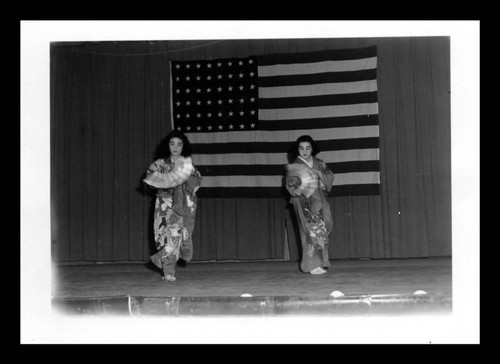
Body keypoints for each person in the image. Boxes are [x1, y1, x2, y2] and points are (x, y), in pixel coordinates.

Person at [143, 130, 202, 282]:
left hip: (182, 204)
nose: (175, 147)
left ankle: (168, 271)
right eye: (172, 144)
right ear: (167, 145)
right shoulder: (159, 164)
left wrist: (184, 183)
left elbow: (197, 183)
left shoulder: (189, 166)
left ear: (184, 147)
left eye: (179, 144)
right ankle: (165, 265)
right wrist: (165, 181)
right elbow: (150, 180)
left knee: (174, 238)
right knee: (164, 238)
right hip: (164, 203)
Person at [285, 135, 334, 275]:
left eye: (308, 148)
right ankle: (310, 265)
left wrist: (320, 174)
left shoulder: (320, 163)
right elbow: (290, 185)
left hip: (320, 200)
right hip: (302, 201)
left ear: (312, 149)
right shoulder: (295, 166)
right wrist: (296, 190)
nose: (304, 151)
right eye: (301, 148)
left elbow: (329, 178)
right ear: (297, 150)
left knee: (321, 230)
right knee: (308, 231)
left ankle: (320, 263)